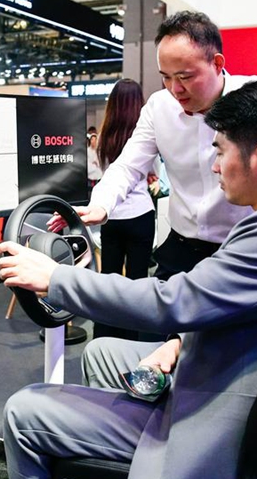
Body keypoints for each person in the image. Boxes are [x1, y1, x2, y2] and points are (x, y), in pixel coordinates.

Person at [0, 74, 257, 479]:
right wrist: (179, 343)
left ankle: (144, 449)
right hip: (236, 356)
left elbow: (172, 301)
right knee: (101, 352)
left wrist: (56, 279)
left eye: (220, 152)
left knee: (23, 410)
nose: (215, 166)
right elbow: (235, 300)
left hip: (224, 404)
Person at [49, 12, 257, 284]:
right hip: (181, 246)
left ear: (217, 63)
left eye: (185, 77)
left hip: (242, 248)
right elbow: (129, 165)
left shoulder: (254, 97)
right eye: (166, 78)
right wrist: (101, 203)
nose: (175, 89)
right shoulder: (159, 107)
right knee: (157, 334)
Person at [93, 79, 155, 340]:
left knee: (109, 277)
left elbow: (104, 173)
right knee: (138, 279)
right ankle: (132, 338)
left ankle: (106, 334)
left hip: (111, 216)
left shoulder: (104, 135)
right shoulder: (144, 135)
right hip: (140, 215)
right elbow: (153, 173)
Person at [86, 126, 102, 198]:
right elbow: (88, 166)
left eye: (95, 139)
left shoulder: (99, 151)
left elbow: (101, 164)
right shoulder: (87, 151)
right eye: (92, 139)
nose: (94, 141)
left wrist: (97, 163)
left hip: (99, 177)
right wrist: (94, 165)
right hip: (90, 178)